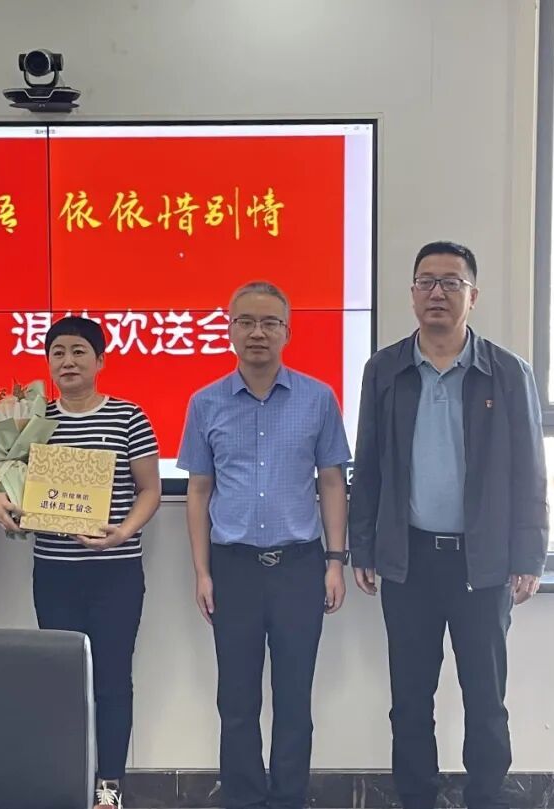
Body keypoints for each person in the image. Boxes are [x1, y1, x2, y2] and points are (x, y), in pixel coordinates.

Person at [348, 241, 548, 809]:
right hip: (409, 559)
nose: (437, 292)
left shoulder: (507, 373)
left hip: (482, 562)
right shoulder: (385, 370)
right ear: (412, 294)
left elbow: (530, 470)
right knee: (410, 698)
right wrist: (363, 545)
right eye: (426, 281)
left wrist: (528, 556)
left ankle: (485, 796)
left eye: (451, 283)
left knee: (485, 697)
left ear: (472, 296)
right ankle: (417, 797)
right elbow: (369, 462)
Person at [177, 281, 351, 809]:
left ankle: (289, 798)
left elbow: (331, 482)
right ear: (229, 330)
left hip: (300, 566)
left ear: (287, 333)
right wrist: (202, 572)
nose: (257, 332)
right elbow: (199, 491)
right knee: (237, 700)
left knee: (294, 698)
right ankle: (244, 798)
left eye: (270, 322)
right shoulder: (205, 403)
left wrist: (335, 562)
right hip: (233, 568)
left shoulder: (318, 398)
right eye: (246, 321)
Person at [0, 316, 160, 809]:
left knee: (112, 679)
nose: (68, 361)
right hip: (55, 572)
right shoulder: (32, 423)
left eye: (79, 351)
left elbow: (150, 490)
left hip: (116, 572)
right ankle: (67, 778)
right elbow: (5, 480)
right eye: (58, 352)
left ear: (100, 360)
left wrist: (123, 531)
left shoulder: (128, 417)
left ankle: (109, 785)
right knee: (63, 679)